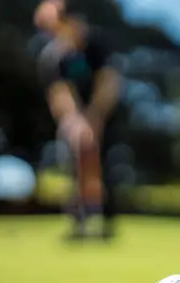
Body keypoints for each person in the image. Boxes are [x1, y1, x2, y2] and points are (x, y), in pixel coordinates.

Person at [34, 0, 121, 240]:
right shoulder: (53, 57)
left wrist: (95, 117)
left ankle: (105, 222)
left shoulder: (97, 45)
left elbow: (108, 82)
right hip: (74, 118)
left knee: (104, 165)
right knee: (73, 165)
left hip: (103, 113)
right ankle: (78, 221)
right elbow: (60, 93)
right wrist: (74, 122)